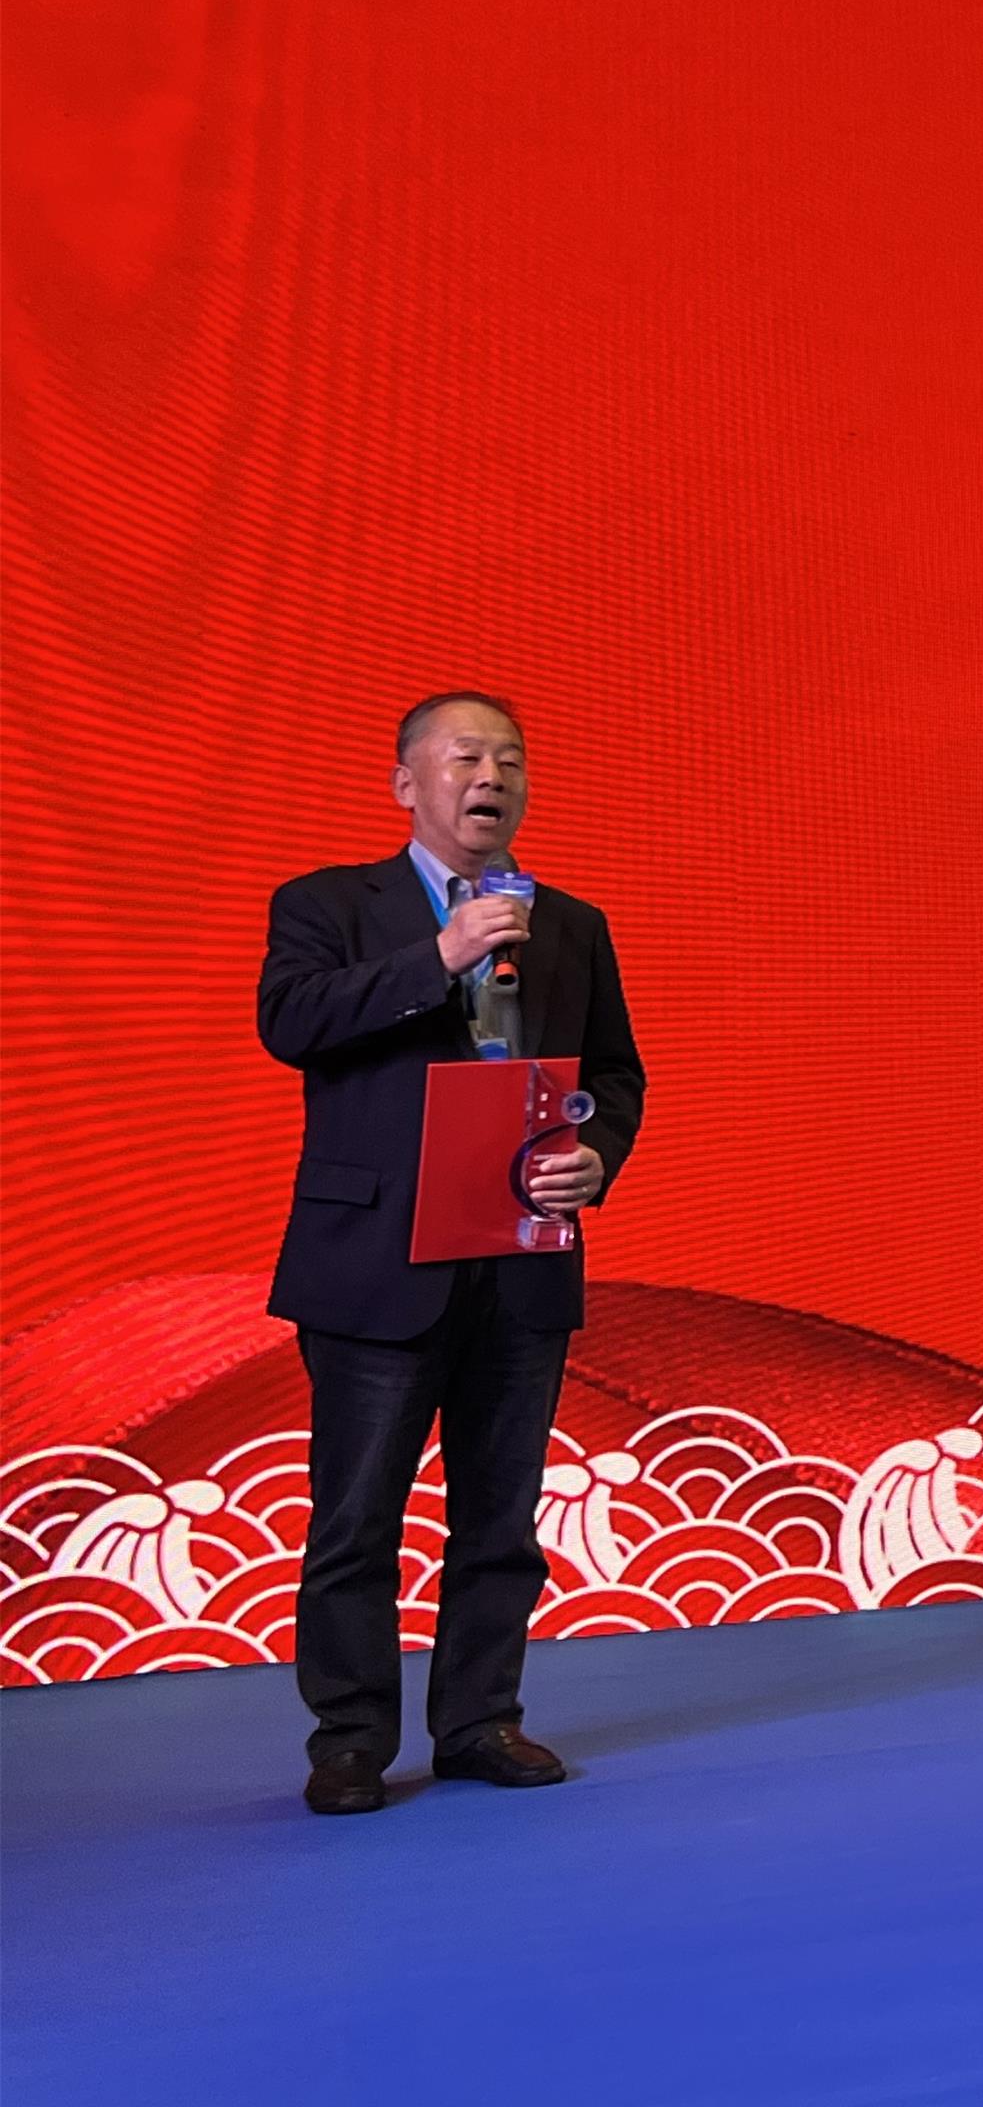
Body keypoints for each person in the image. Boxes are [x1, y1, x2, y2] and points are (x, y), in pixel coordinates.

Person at [258, 693, 647, 1815]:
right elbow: (292, 1021)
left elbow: (613, 1072)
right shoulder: (330, 904)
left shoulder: (569, 921)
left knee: (500, 1516)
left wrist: (596, 1156)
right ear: (407, 783)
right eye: (467, 756)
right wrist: (442, 953)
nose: (492, 777)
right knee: (355, 1518)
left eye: (510, 760)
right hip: (377, 1260)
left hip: (520, 1259)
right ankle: (350, 1739)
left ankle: (480, 1720)